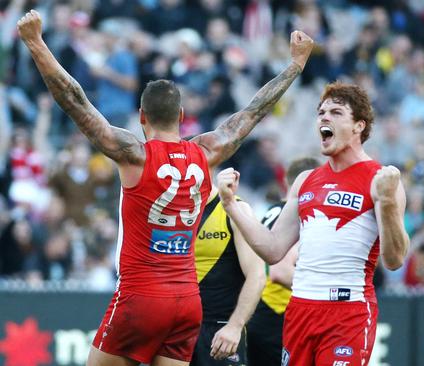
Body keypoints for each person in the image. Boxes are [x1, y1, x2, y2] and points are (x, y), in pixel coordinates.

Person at [17, 10, 313, 366]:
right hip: (187, 302)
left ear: (142, 117)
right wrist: (294, 66)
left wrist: (36, 43)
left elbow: (74, 100)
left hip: (140, 296)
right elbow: (251, 113)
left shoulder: (134, 155)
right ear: (181, 114)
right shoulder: (206, 153)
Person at [217, 82, 410, 366]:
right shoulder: (305, 180)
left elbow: (394, 260)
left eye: (335, 112)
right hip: (300, 309)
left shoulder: (380, 178)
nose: (324, 117)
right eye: (321, 112)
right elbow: (272, 250)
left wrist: (388, 203)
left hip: (347, 311)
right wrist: (231, 204)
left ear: (359, 126)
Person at [246, 157, 320, 366]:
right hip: (275, 312)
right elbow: (280, 272)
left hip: (258, 311)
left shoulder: (272, 212)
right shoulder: (292, 217)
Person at [191, 186, 266, 365]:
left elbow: (257, 275)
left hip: (219, 329)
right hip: (175, 328)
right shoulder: (170, 209)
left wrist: (234, 327)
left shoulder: (235, 209)